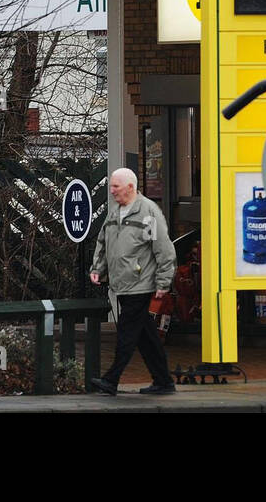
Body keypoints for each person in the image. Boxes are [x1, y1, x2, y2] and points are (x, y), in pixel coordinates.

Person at [88, 168, 177, 395]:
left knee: (127, 333)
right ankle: (164, 381)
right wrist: (98, 268)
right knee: (146, 336)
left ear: (130, 186)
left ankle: (112, 379)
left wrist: (163, 282)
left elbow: (164, 249)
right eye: (111, 186)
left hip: (140, 283)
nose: (112, 190)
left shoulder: (147, 213)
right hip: (122, 284)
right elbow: (103, 241)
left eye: (116, 186)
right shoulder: (114, 213)